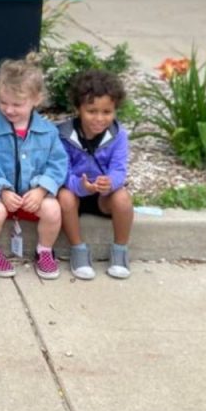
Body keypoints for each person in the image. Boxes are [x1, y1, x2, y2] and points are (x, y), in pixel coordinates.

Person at [0, 57, 68, 280]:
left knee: (53, 210)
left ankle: (44, 251)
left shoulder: (48, 132)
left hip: (31, 198)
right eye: (3, 102)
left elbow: (58, 163)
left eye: (17, 104)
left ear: (37, 99)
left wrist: (41, 190)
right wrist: (2, 190)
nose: (9, 109)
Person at [57, 70, 132, 279]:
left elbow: (119, 169)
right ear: (78, 109)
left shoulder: (119, 135)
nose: (99, 118)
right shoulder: (63, 135)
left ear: (115, 110)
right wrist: (81, 187)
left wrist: (110, 183)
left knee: (123, 199)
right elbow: (61, 171)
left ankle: (120, 251)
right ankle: (78, 249)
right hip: (74, 191)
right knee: (64, 197)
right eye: (91, 111)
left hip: (103, 195)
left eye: (107, 112)